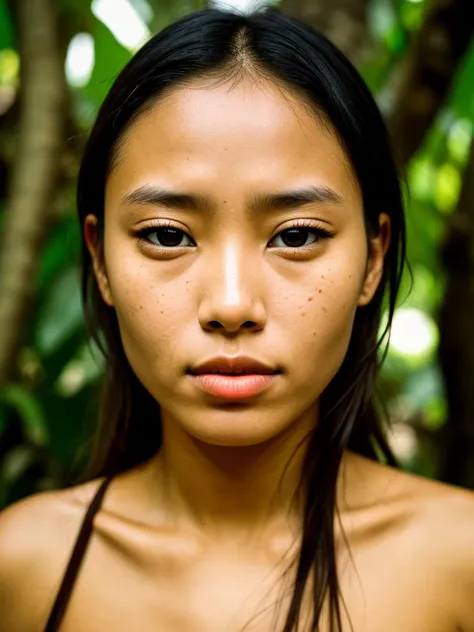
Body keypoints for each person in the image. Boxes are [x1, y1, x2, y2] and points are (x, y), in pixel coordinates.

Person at [0, 6, 473, 632]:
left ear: (373, 257)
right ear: (101, 260)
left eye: (296, 235)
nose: (230, 306)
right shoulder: (24, 567)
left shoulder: (458, 560)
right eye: (168, 236)